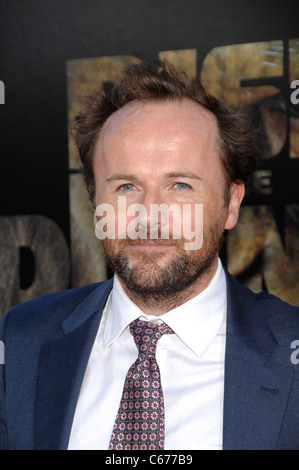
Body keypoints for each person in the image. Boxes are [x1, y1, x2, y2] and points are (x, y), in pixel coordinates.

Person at [0, 59, 299, 451]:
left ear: (231, 204)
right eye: (125, 186)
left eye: (179, 185)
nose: (149, 214)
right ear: (95, 202)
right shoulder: (20, 340)